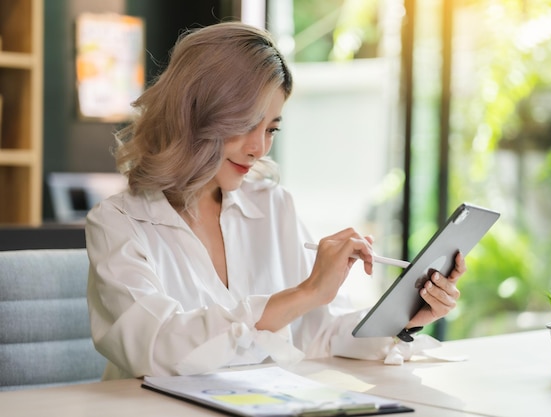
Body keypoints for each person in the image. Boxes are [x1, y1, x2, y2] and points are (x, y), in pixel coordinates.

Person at [86, 21, 465, 380]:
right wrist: (305, 292)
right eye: (245, 124)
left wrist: (407, 314)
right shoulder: (117, 223)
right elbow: (155, 348)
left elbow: (319, 335)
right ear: (195, 114)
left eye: (271, 128)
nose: (258, 147)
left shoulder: (272, 206)